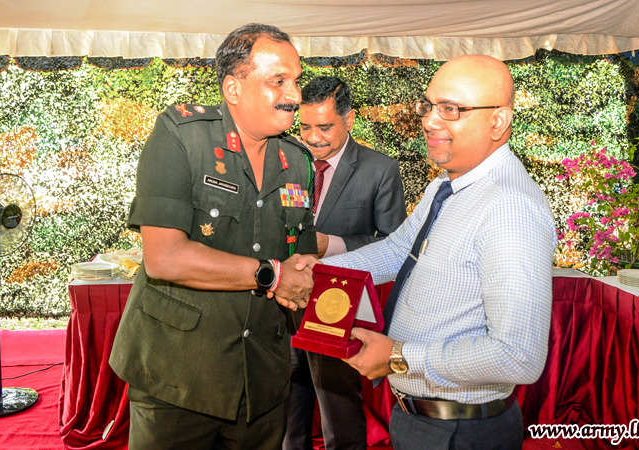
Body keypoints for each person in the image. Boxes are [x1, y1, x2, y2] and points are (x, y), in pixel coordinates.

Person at [296, 55, 557, 450]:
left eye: (451, 109)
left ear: (498, 121)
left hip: (460, 431)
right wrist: (313, 272)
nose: (430, 121)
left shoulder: (509, 208)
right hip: (423, 419)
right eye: (429, 105)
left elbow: (518, 356)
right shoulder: (447, 186)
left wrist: (399, 357)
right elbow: (397, 250)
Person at [109, 23, 318, 450]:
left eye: (296, 81)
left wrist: (316, 284)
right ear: (233, 88)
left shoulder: (298, 161)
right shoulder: (182, 135)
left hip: (262, 380)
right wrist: (273, 275)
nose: (295, 95)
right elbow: (165, 258)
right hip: (178, 376)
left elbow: (303, 253)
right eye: (279, 81)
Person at [283, 77, 406, 450]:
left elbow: (394, 244)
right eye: (305, 127)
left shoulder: (380, 169)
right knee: (288, 398)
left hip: (337, 305)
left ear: (349, 120)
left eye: (324, 127)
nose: (313, 138)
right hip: (283, 299)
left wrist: (331, 245)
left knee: (337, 402)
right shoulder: (286, 162)